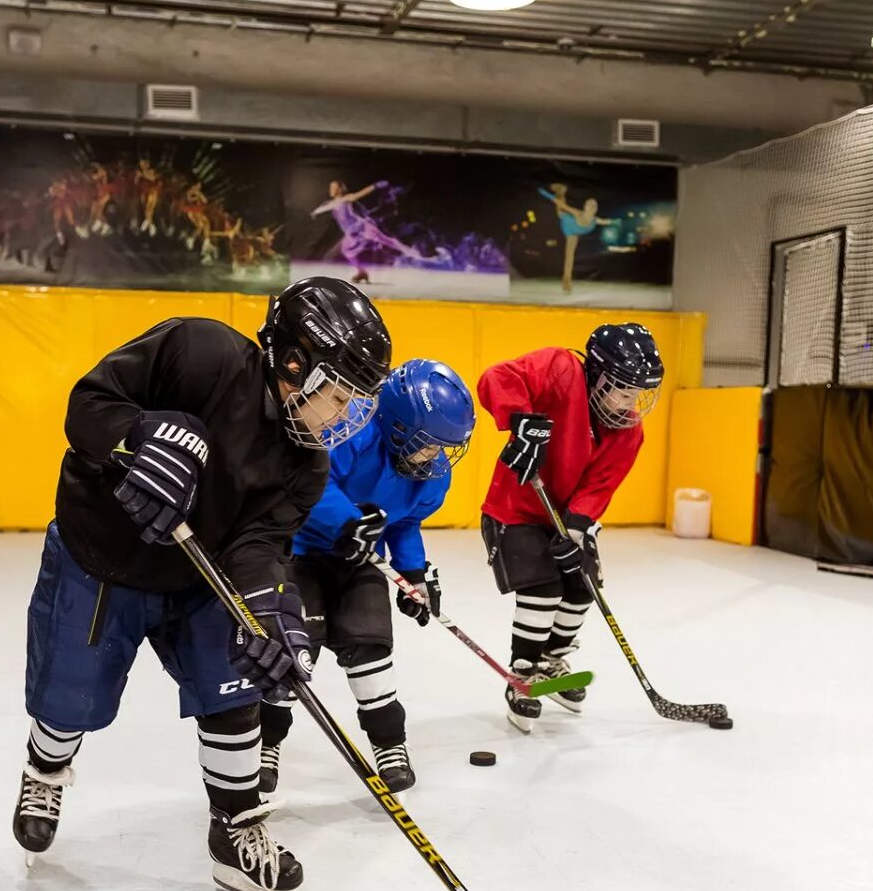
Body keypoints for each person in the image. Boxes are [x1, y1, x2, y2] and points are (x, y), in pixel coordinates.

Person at [14, 278, 393, 891]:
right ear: (295, 360)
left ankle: (236, 832)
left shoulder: (307, 465)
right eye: (338, 395)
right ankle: (45, 769)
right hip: (102, 559)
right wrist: (138, 437)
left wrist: (273, 612)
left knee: (235, 688)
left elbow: (261, 546)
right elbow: (88, 406)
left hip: (197, 578)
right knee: (68, 699)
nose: (340, 417)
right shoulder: (199, 351)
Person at [258, 359, 476, 793]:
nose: (436, 456)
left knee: (371, 647)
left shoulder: (430, 472)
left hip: (361, 562)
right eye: (429, 443)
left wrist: (413, 571)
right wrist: (347, 522)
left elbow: (404, 522)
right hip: (300, 555)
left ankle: (389, 744)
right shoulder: (350, 429)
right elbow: (312, 484)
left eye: (443, 448)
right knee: (292, 653)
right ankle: (265, 744)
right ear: (398, 423)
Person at [477, 323, 664, 731]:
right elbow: (499, 377)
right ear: (597, 375)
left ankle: (552, 660)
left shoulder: (629, 431)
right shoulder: (560, 368)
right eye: (622, 389)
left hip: (565, 517)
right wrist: (521, 421)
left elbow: (601, 486)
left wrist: (577, 531)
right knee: (543, 587)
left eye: (637, 394)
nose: (629, 403)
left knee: (583, 583)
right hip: (516, 509)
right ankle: (524, 672)